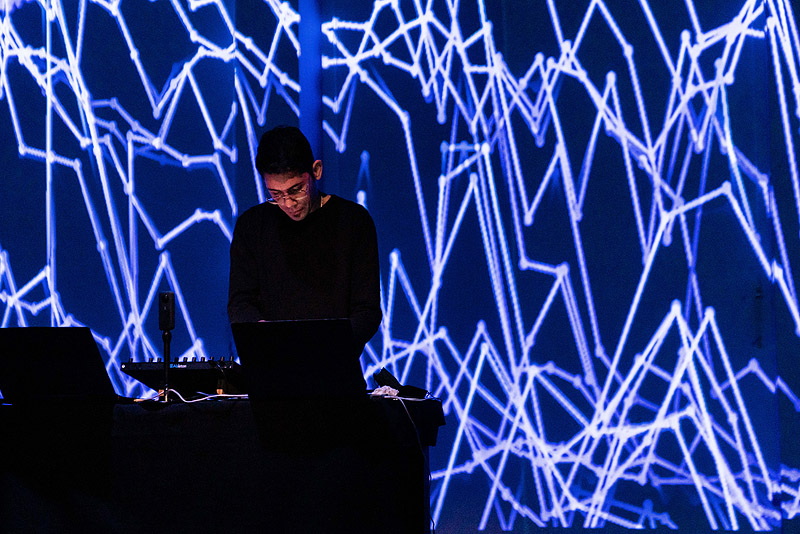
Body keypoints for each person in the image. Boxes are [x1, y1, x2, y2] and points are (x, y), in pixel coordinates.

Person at [227, 125, 382, 357]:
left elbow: (367, 311)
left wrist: (324, 346)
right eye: (276, 194)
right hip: (273, 363)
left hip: (335, 365)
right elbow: (240, 303)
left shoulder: (353, 221)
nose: (288, 203)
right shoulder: (252, 226)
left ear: (316, 170)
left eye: (296, 190)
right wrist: (268, 337)